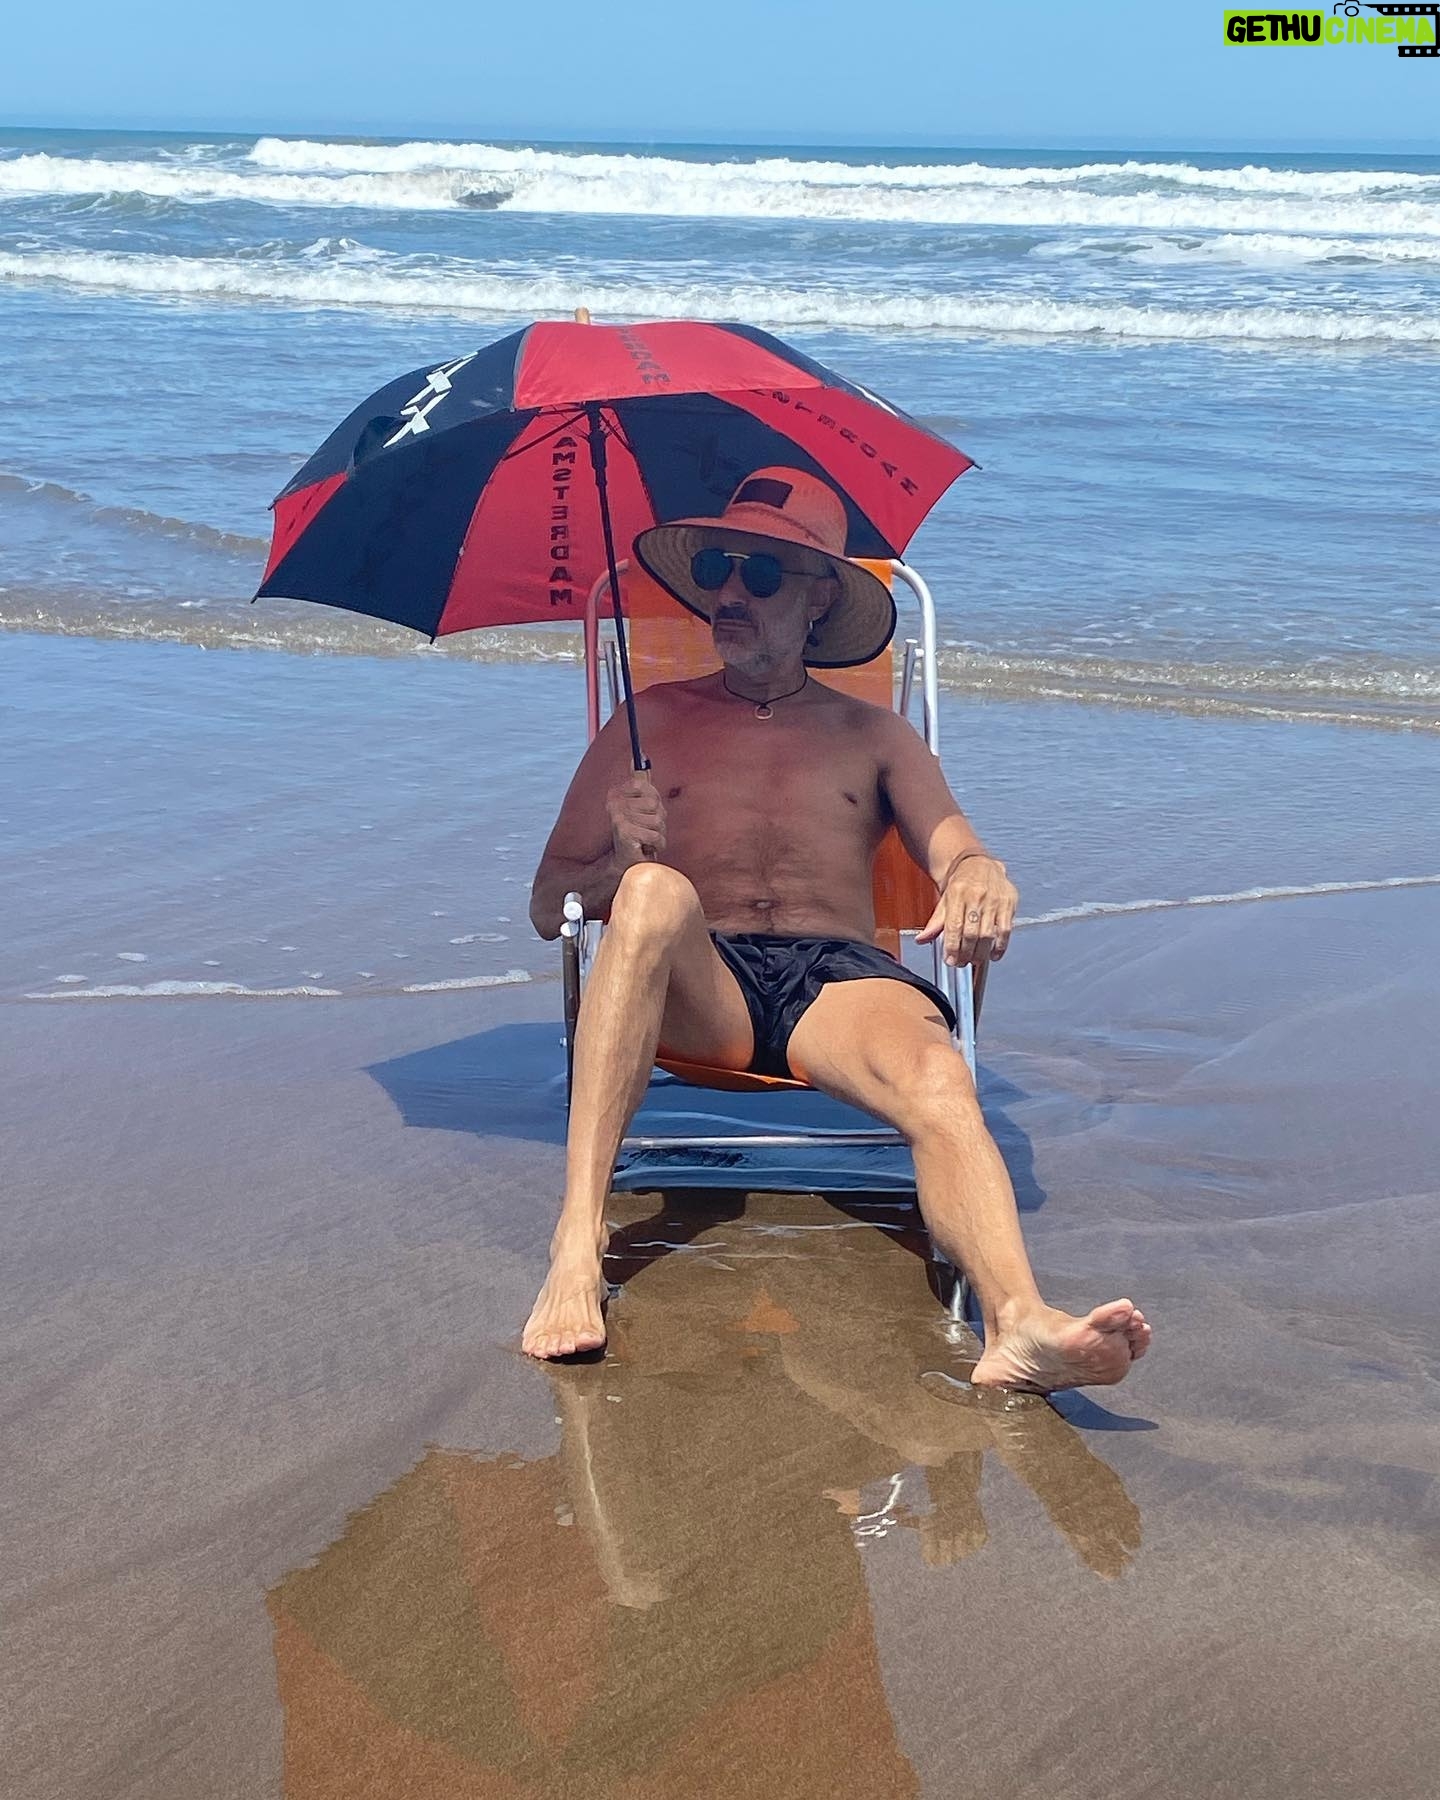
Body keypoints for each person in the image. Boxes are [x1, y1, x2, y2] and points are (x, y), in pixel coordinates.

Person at [524, 468, 1151, 1389]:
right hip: (703, 985)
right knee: (652, 891)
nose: (730, 593)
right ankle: (577, 1249)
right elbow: (551, 907)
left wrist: (980, 874)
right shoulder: (647, 722)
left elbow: (956, 850)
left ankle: (1019, 1324)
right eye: (718, 568)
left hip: (838, 984)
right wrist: (619, 860)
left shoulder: (875, 734)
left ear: (820, 598)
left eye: (761, 575)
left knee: (937, 1075)